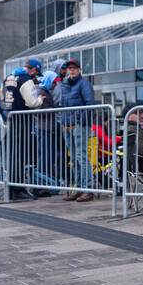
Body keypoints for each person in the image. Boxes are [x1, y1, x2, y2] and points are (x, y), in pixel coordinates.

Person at [58, 59, 96, 202]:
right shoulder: (65, 84)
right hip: (67, 124)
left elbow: (89, 103)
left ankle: (87, 189)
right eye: (69, 68)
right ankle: (79, 188)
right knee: (74, 158)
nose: (72, 70)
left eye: (74, 68)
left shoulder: (84, 83)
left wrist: (80, 120)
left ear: (79, 69)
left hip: (79, 124)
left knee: (81, 157)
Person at [3, 65, 43, 200]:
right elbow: (32, 102)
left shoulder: (9, 77)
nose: (35, 75)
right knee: (19, 155)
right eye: (36, 72)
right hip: (22, 121)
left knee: (11, 155)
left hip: (10, 119)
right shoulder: (25, 79)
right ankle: (18, 189)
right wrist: (40, 100)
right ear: (33, 70)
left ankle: (10, 187)